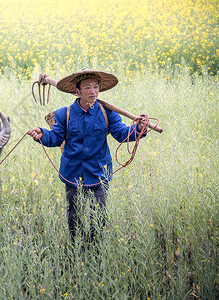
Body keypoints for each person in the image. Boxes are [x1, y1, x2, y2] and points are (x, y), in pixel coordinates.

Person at [27, 69, 148, 242]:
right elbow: (55, 137)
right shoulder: (64, 114)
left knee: (98, 217)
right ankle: (75, 249)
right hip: (72, 173)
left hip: (99, 172)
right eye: (87, 87)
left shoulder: (107, 113)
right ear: (77, 92)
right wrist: (42, 134)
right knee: (74, 216)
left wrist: (137, 128)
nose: (93, 91)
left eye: (96, 87)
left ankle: (96, 251)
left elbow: (122, 133)